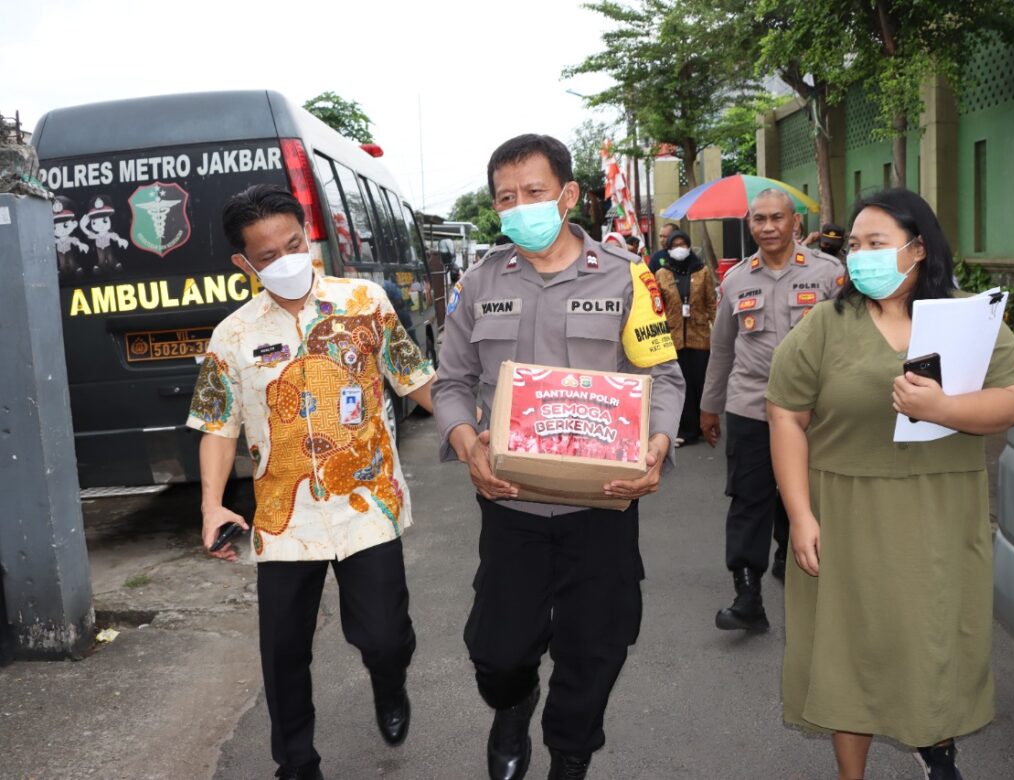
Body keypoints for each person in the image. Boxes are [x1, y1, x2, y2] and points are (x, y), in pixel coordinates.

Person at [433, 133, 684, 780]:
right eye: (506, 198)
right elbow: (452, 383)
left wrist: (657, 443)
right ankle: (511, 706)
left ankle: (570, 754)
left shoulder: (627, 276)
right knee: (497, 653)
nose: (521, 208)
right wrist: (467, 446)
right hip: (510, 503)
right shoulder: (478, 283)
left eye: (535, 193)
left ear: (568, 195)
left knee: (597, 646)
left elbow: (664, 377)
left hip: (602, 506)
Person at [766, 188, 1014, 780]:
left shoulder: (972, 318)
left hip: (938, 512)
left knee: (932, 643)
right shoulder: (826, 325)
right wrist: (801, 515)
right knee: (848, 651)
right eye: (854, 245)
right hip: (846, 513)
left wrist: (942, 409)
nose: (860, 256)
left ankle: (937, 750)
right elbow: (785, 412)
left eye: (875, 244)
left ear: (918, 249)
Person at [188, 184, 435, 780]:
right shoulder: (233, 335)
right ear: (244, 264)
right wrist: (211, 505)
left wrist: (475, 430)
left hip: (366, 502)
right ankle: (296, 764)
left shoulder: (365, 301)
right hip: (283, 516)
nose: (286, 259)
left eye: (294, 243)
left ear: (309, 237)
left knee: (382, 637)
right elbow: (218, 427)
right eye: (268, 255)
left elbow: (416, 380)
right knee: (283, 653)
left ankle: (389, 679)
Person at [699, 188, 842, 632]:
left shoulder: (828, 274)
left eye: (776, 218)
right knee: (748, 497)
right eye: (758, 219)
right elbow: (722, 348)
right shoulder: (737, 280)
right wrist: (710, 405)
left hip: (813, 410)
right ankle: (747, 594)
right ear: (750, 225)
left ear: (795, 222)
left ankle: (804, 562)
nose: (768, 227)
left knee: (810, 492)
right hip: (750, 405)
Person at [654, 228, 716, 446]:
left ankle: (703, 425)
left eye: (683, 244)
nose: (679, 249)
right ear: (668, 249)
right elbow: (656, 308)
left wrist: (718, 330)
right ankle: (684, 429)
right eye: (675, 245)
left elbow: (711, 302)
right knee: (680, 384)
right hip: (673, 338)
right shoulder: (661, 274)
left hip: (699, 336)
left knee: (699, 382)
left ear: (689, 246)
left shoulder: (703, 271)